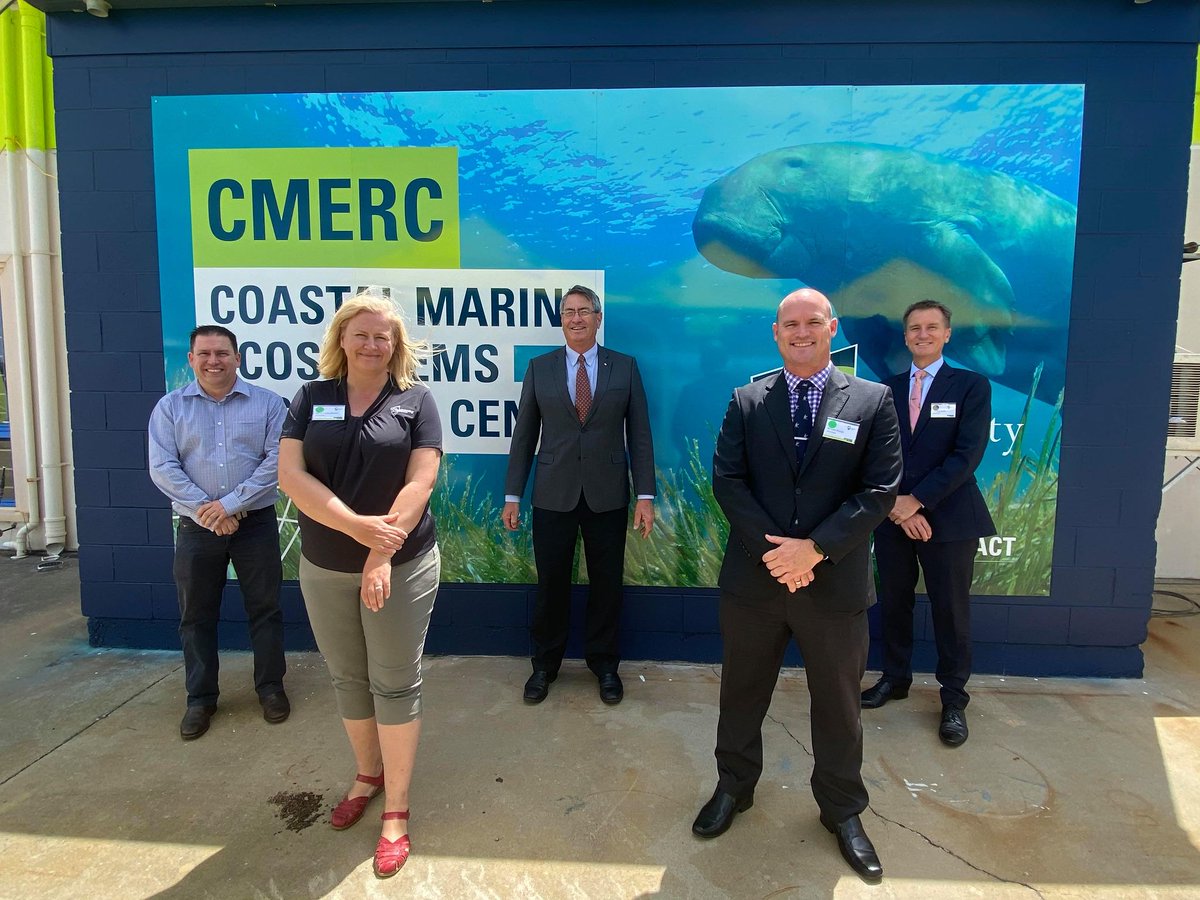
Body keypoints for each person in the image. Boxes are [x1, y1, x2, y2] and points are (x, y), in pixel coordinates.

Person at [693, 288, 902, 884]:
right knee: (741, 693)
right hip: (756, 584)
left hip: (833, 585)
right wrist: (778, 555)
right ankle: (734, 787)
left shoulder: (872, 401)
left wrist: (813, 550)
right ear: (776, 332)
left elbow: (879, 491)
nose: (801, 332)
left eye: (813, 322)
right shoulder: (747, 401)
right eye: (791, 324)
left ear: (832, 328)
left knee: (838, 704)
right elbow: (729, 481)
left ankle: (842, 810)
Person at [278, 290, 442, 879]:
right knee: (348, 677)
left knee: (394, 682)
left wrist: (379, 552)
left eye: (383, 336)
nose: (373, 344)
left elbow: (421, 481)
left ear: (395, 345)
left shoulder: (415, 401)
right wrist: (355, 529)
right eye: (362, 334)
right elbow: (291, 476)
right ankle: (367, 775)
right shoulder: (310, 397)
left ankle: (395, 809)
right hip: (324, 564)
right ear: (342, 339)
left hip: (401, 564)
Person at [501, 284, 655, 706]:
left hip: (608, 494)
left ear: (598, 318)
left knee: (607, 585)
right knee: (551, 583)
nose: (576, 318)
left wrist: (645, 495)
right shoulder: (540, 368)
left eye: (584, 311)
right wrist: (513, 495)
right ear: (561, 319)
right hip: (553, 494)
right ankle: (544, 666)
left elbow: (640, 434)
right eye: (568, 311)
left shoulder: (624, 367)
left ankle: (605, 665)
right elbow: (524, 435)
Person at [861, 300, 996, 747]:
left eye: (931, 327)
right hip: (893, 519)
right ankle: (894, 678)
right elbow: (876, 456)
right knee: (894, 603)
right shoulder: (886, 390)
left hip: (950, 520)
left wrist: (916, 502)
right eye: (915, 328)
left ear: (947, 334)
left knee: (950, 610)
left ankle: (954, 699)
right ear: (905, 337)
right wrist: (897, 509)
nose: (923, 334)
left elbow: (967, 455)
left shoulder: (971, 386)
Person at [148, 325, 289, 741]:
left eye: (223, 353)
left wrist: (229, 505)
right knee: (196, 615)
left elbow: (278, 461)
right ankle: (200, 699)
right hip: (196, 527)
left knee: (266, 609)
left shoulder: (268, 404)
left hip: (254, 524)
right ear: (191, 359)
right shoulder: (170, 409)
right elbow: (163, 467)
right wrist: (209, 511)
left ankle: (271, 689)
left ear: (237, 358)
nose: (214, 361)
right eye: (205, 354)